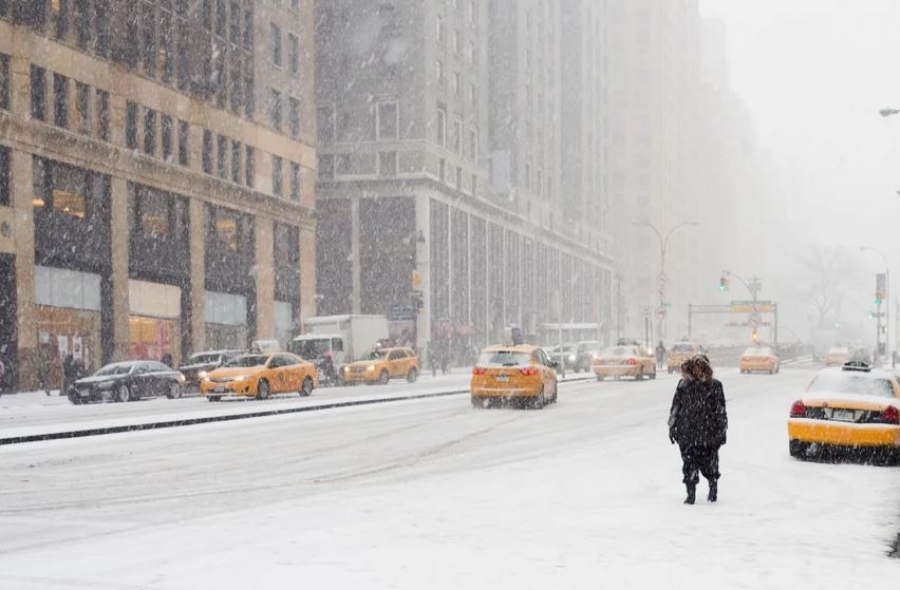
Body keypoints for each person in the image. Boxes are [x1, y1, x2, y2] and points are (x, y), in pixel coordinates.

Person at [668, 355, 728, 505]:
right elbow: (676, 408)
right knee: (691, 464)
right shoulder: (683, 385)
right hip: (691, 434)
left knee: (708, 464)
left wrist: (721, 431)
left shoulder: (714, 386)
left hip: (706, 434)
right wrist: (672, 426)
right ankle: (692, 493)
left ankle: (711, 489)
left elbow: (720, 412)